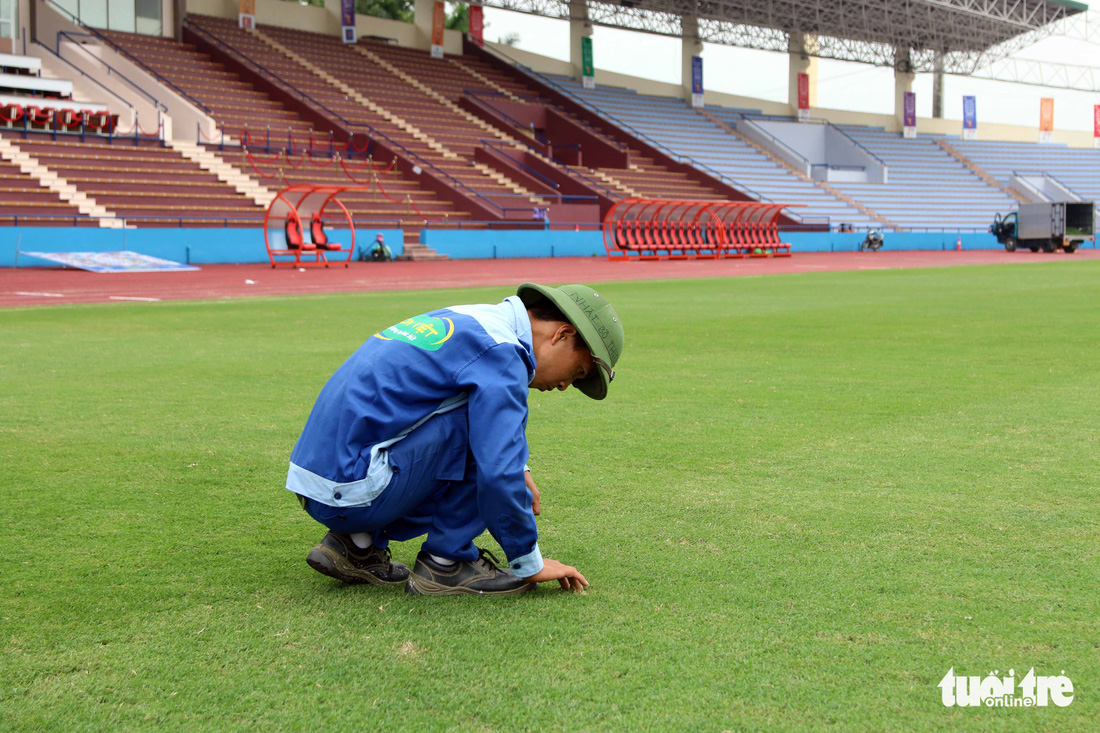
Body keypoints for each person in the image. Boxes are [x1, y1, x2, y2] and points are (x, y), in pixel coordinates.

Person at [287, 283, 624, 596]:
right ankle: (446, 562)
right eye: (577, 372)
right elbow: (497, 465)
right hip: (353, 488)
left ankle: (356, 545)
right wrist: (528, 562)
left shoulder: (471, 318)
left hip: (320, 481)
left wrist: (519, 466)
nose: (566, 385)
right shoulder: (502, 350)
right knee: (485, 434)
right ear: (563, 334)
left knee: (485, 431)